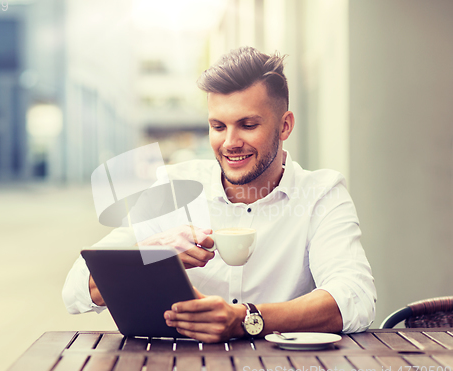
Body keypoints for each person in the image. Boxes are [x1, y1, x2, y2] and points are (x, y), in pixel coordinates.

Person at [63, 46, 376, 343]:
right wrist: (149, 254)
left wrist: (245, 319)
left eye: (248, 125)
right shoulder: (173, 185)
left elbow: (354, 297)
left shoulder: (322, 194)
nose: (230, 142)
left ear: (285, 126)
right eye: (218, 126)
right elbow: (76, 290)